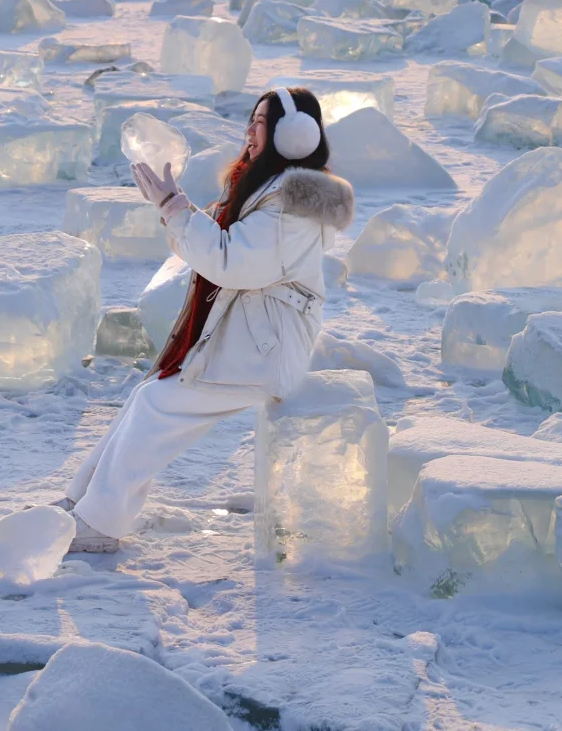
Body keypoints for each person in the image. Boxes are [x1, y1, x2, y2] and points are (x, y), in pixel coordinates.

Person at [62, 86, 354, 554]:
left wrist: (175, 210)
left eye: (262, 122)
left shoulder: (294, 205)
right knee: (148, 398)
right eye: (252, 119)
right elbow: (220, 249)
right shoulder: (268, 189)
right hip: (250, 339)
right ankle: (81, 506)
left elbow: (231, 262)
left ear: (293, 134)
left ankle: (100, 523)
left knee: (157, 405)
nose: (250, 131)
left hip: (263, 348)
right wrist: (178, 207)